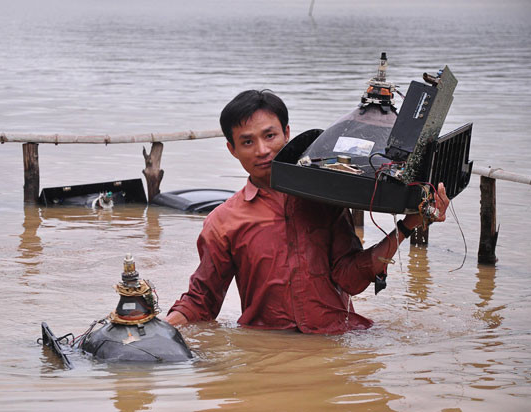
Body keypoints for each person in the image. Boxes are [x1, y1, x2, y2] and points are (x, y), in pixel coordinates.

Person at [165, 89, 449, 334]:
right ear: (232, 149)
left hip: (337, 339)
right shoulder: (223, 223)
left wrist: (407, 225)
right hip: (266, 350)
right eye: (248, 142)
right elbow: (202, 302)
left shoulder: (323, 199)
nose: (263, 150)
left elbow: (349, 277)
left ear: (287, 134)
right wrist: (157, 331)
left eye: (270, 135)